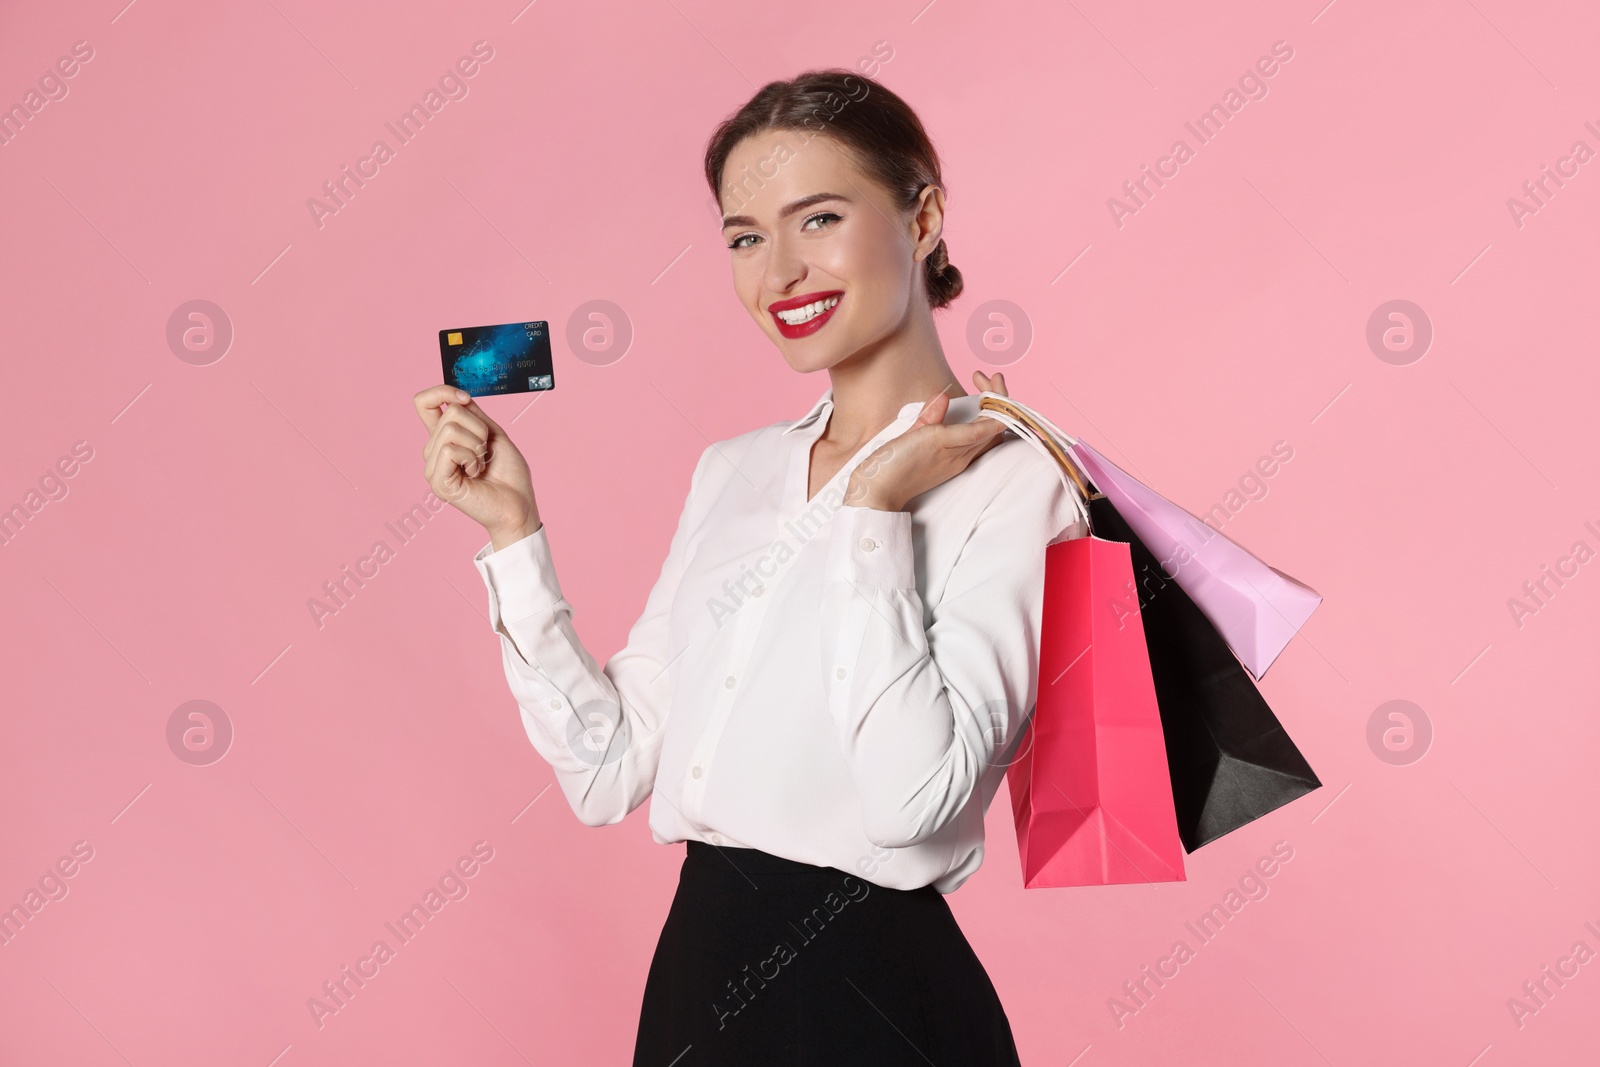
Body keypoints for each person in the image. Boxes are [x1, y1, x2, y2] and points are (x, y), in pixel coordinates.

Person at [412, 68, 1084, 1066]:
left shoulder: (1021, 483)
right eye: (743, 236)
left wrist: (872, 511)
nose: (778, 274)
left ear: (924, 216)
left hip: (872, 998)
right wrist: (514, 537)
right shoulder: (734, 471)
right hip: (698, 978)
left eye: (817, 219)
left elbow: (914, 800)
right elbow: (608, 772)